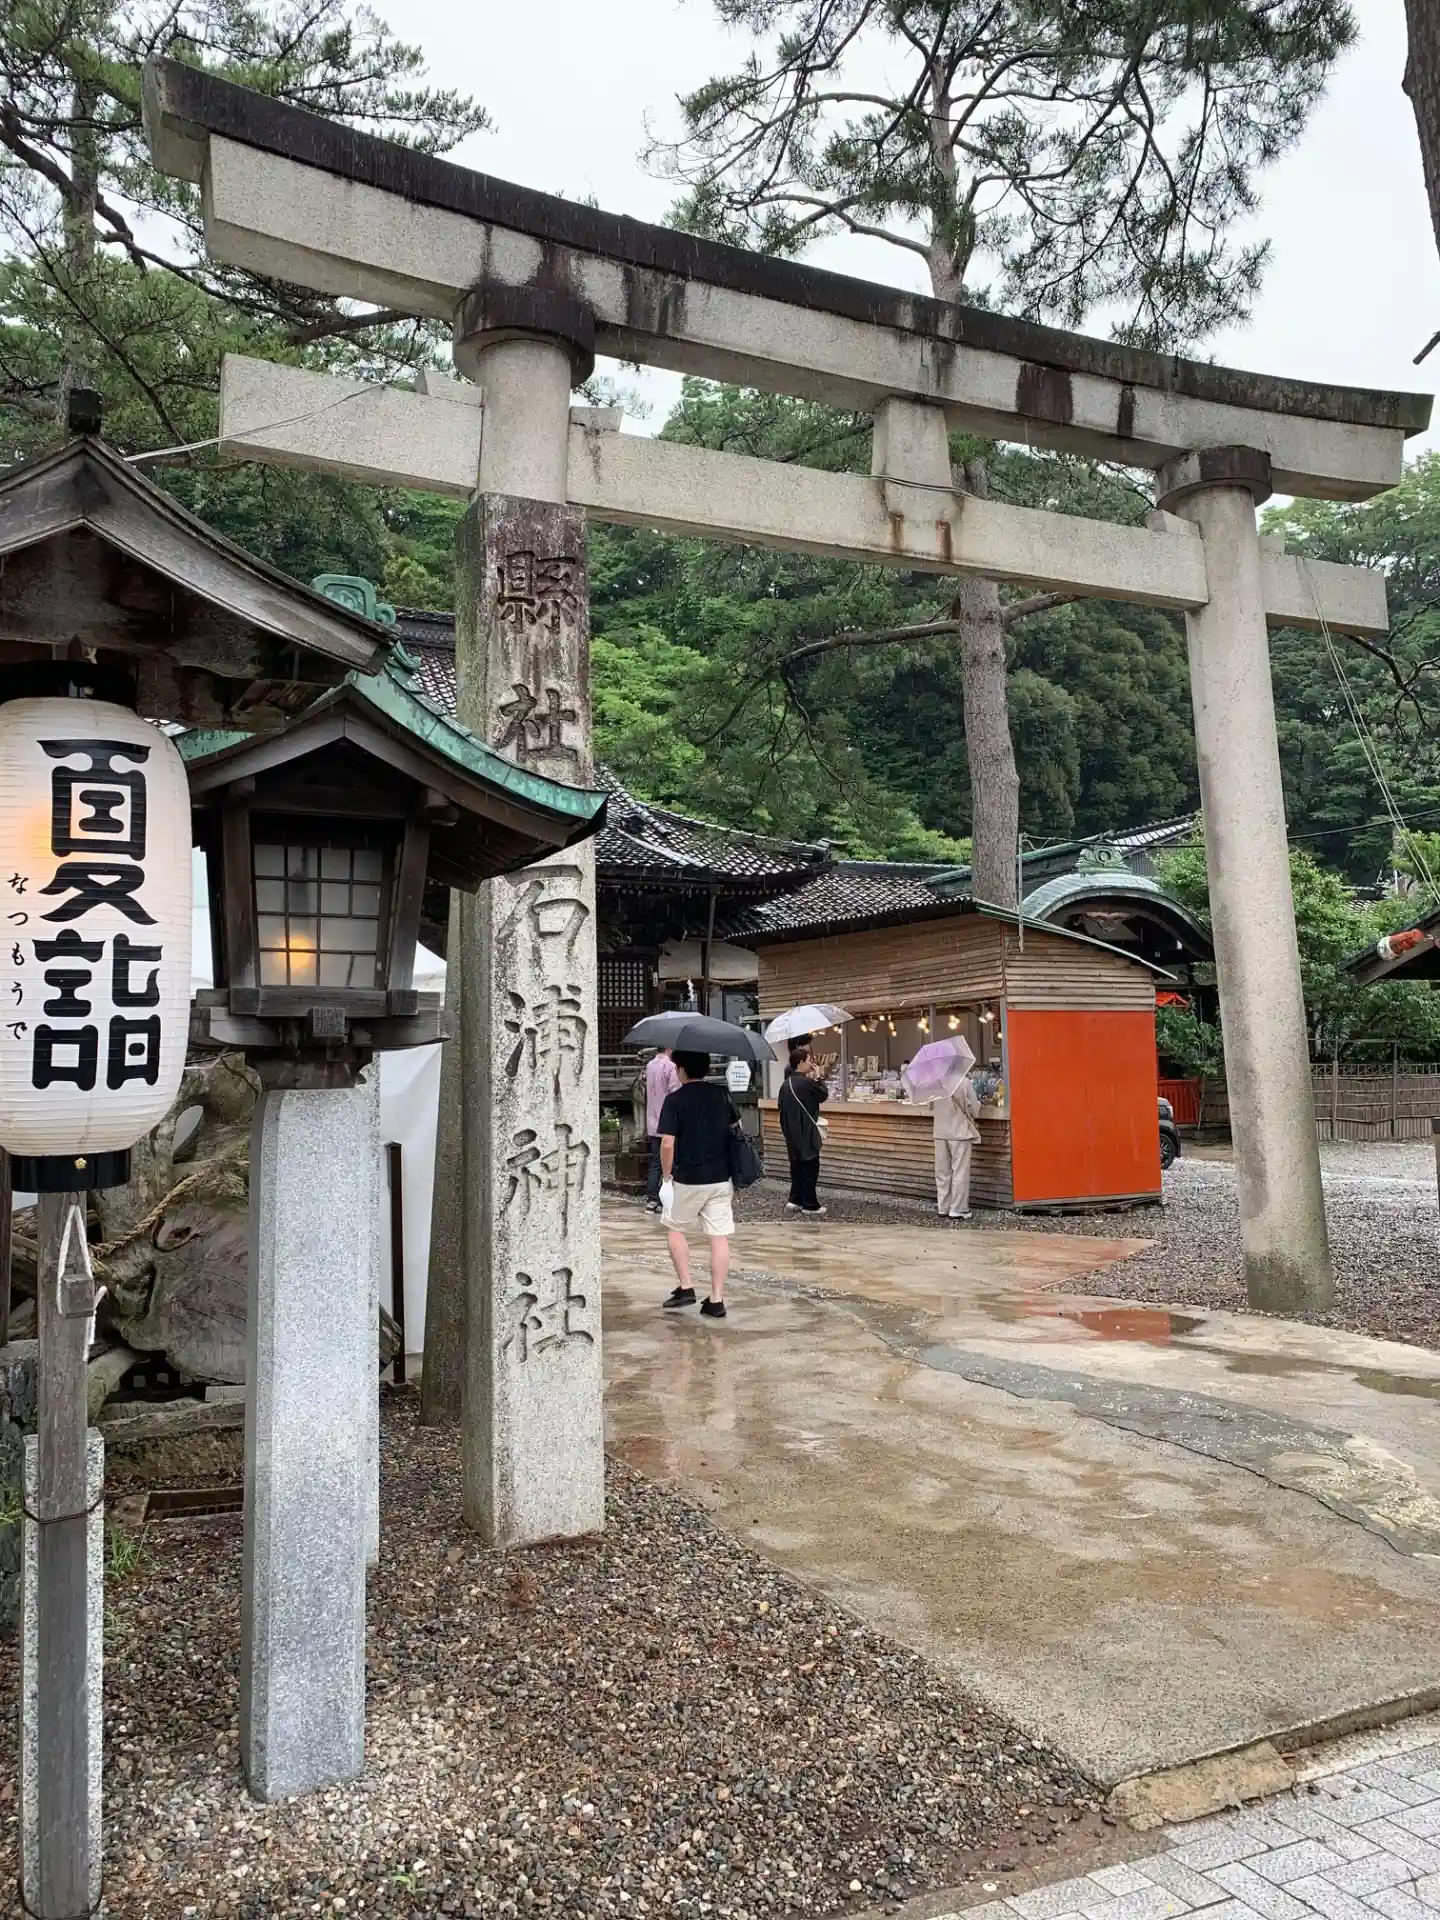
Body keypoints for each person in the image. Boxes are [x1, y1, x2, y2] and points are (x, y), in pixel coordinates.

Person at [656, 1050, 737, 1319]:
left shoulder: (675, 1100)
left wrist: (666, 1174)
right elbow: (736, 1127)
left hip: (688, 1178)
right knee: (718, 1237)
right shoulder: (722, 1095)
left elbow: (668, 1142)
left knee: (675, 1228)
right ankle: (716, 1299)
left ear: (681, 1070)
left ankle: (686, 1286)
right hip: (720, 1177)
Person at [779, 1045, 828, 1217]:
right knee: (810, 1168)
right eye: (808, 1060)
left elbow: (781, 1111)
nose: (810, 1063)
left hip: (791, 1133)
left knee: (796, 1167)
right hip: (806, 1131)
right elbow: (822, 1095)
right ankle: (810, 1204)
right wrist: (819, 1076)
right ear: (800, 1063)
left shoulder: (785, 1085)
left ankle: (795, 1200)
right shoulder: (806, 1083)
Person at [932, 1069, 983, 1219]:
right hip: (959, 1132)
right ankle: (958, 1209)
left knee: (942, 1172)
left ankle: (943, 1207)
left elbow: (930, 1106)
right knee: (960, 1172)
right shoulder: (964, 1082)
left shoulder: (936, 1084)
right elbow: (974, 1108)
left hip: (940, 1132)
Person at [643, 1045, 681, 1212]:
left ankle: (652, 1198)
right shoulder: (670, 1066)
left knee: (656, 1161)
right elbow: (675, 1092)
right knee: (671, 1160)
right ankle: (670, 1197)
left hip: (652, 1119)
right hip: (668, 1120)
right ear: (668, 1048)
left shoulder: (650, 1065)